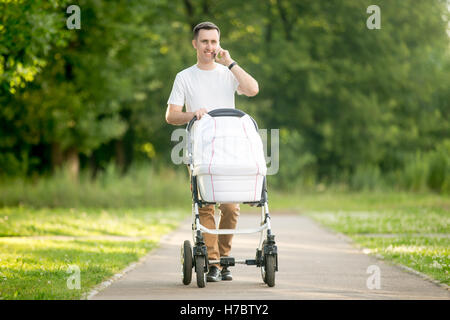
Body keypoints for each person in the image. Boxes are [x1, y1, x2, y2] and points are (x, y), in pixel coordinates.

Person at [165, 21, 259, 282]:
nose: (209, 47)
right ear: (195, 44)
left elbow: (252, 89)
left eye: (214, 42)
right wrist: (192, 113)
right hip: (200, 150)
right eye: (204, 42)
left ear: (219, 44)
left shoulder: (227, 73)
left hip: (229, 150)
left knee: (231, 207)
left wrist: (231, 63)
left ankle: (224, 259)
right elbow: (171, 115)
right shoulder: (184, 77)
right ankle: (215, 264)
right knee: (205, 206)